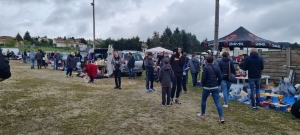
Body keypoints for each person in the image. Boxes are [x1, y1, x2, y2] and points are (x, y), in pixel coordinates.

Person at [198, 56, 224, 123]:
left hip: (207, 87)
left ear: (206, 61)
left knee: (204, 100)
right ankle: (221, 117)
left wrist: (203, 84)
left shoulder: (205, 68)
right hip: (215, 87)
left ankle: (203, 114)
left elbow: (203, 77)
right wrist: (218, 84)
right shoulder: (217, 68)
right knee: (217, 102)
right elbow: (220, 77)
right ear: (213, 61)